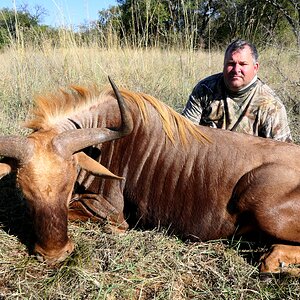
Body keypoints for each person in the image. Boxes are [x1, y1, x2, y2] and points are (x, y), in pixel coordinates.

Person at [182, 39, 293, 142]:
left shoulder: (271, 105)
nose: (236, 70)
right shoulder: (204, 89)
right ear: (224, 65)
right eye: (231, 64)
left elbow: (283, 153)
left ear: (255, 68)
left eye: (243, 64)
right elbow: (185, 134)